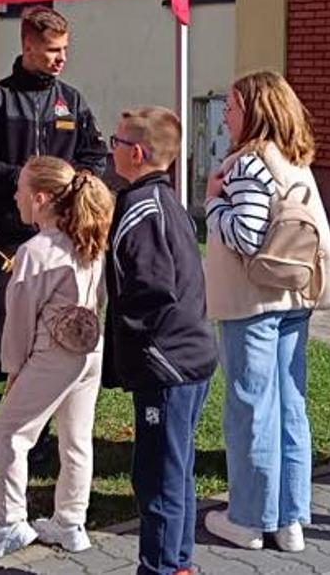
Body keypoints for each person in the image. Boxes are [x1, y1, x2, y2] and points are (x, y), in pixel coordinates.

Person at [0, 6, 111, 469]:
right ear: (27, 47)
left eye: (65, 50)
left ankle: (38, 434)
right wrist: (24, 181)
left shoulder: (72, 102)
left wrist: (69, 192)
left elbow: (94, 155)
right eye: (51, 51)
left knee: (52, 337)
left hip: (60, 242)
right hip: (7, 240)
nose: (60, 59)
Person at [199, 71, 330, 555]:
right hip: (294, 298)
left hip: (252, 302)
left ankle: (247, 518)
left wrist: (211, 202)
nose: (225, 113)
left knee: (250, 407)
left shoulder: (248, 165)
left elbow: (245, 236)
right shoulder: (296, 161)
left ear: (254, 110)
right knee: (289, 406)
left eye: (232, 106)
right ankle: (290, 519)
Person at [0, 157, 115, 561]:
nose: (14, 196)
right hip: (89, 348)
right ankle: (70, 521)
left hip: (53, 352)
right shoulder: (88, 239)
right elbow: (99, 296)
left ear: (39, 198)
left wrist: (14, 372)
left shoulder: (36, 251)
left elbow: (18, 322)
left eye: (19, 189)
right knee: (76, 437)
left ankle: (9, 522)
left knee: (10, 431)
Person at [103, 106, 218, 575]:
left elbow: (152, 288)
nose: (109, 148)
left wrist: (130, 340)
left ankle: (163, 567)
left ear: (135, 152)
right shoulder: (165, 201)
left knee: (158, 477)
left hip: (168, 364)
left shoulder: (142, 210)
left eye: (114, 141)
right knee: (176, 469)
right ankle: (178, 564)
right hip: (187, 358)